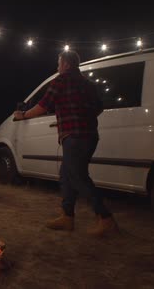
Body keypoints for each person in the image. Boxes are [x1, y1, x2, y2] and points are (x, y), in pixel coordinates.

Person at [13, 50, 118, 236]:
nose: (57, 67)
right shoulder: (88, 84)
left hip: (74, 137)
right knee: (67, 174)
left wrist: (23, 115)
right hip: (90, 136)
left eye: (59, 63)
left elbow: (42, 106)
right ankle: (67, 217)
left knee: (78, 177)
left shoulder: (60, 81)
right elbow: (99, 107)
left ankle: (105, 218)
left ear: (67, 64)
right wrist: (84, 117)